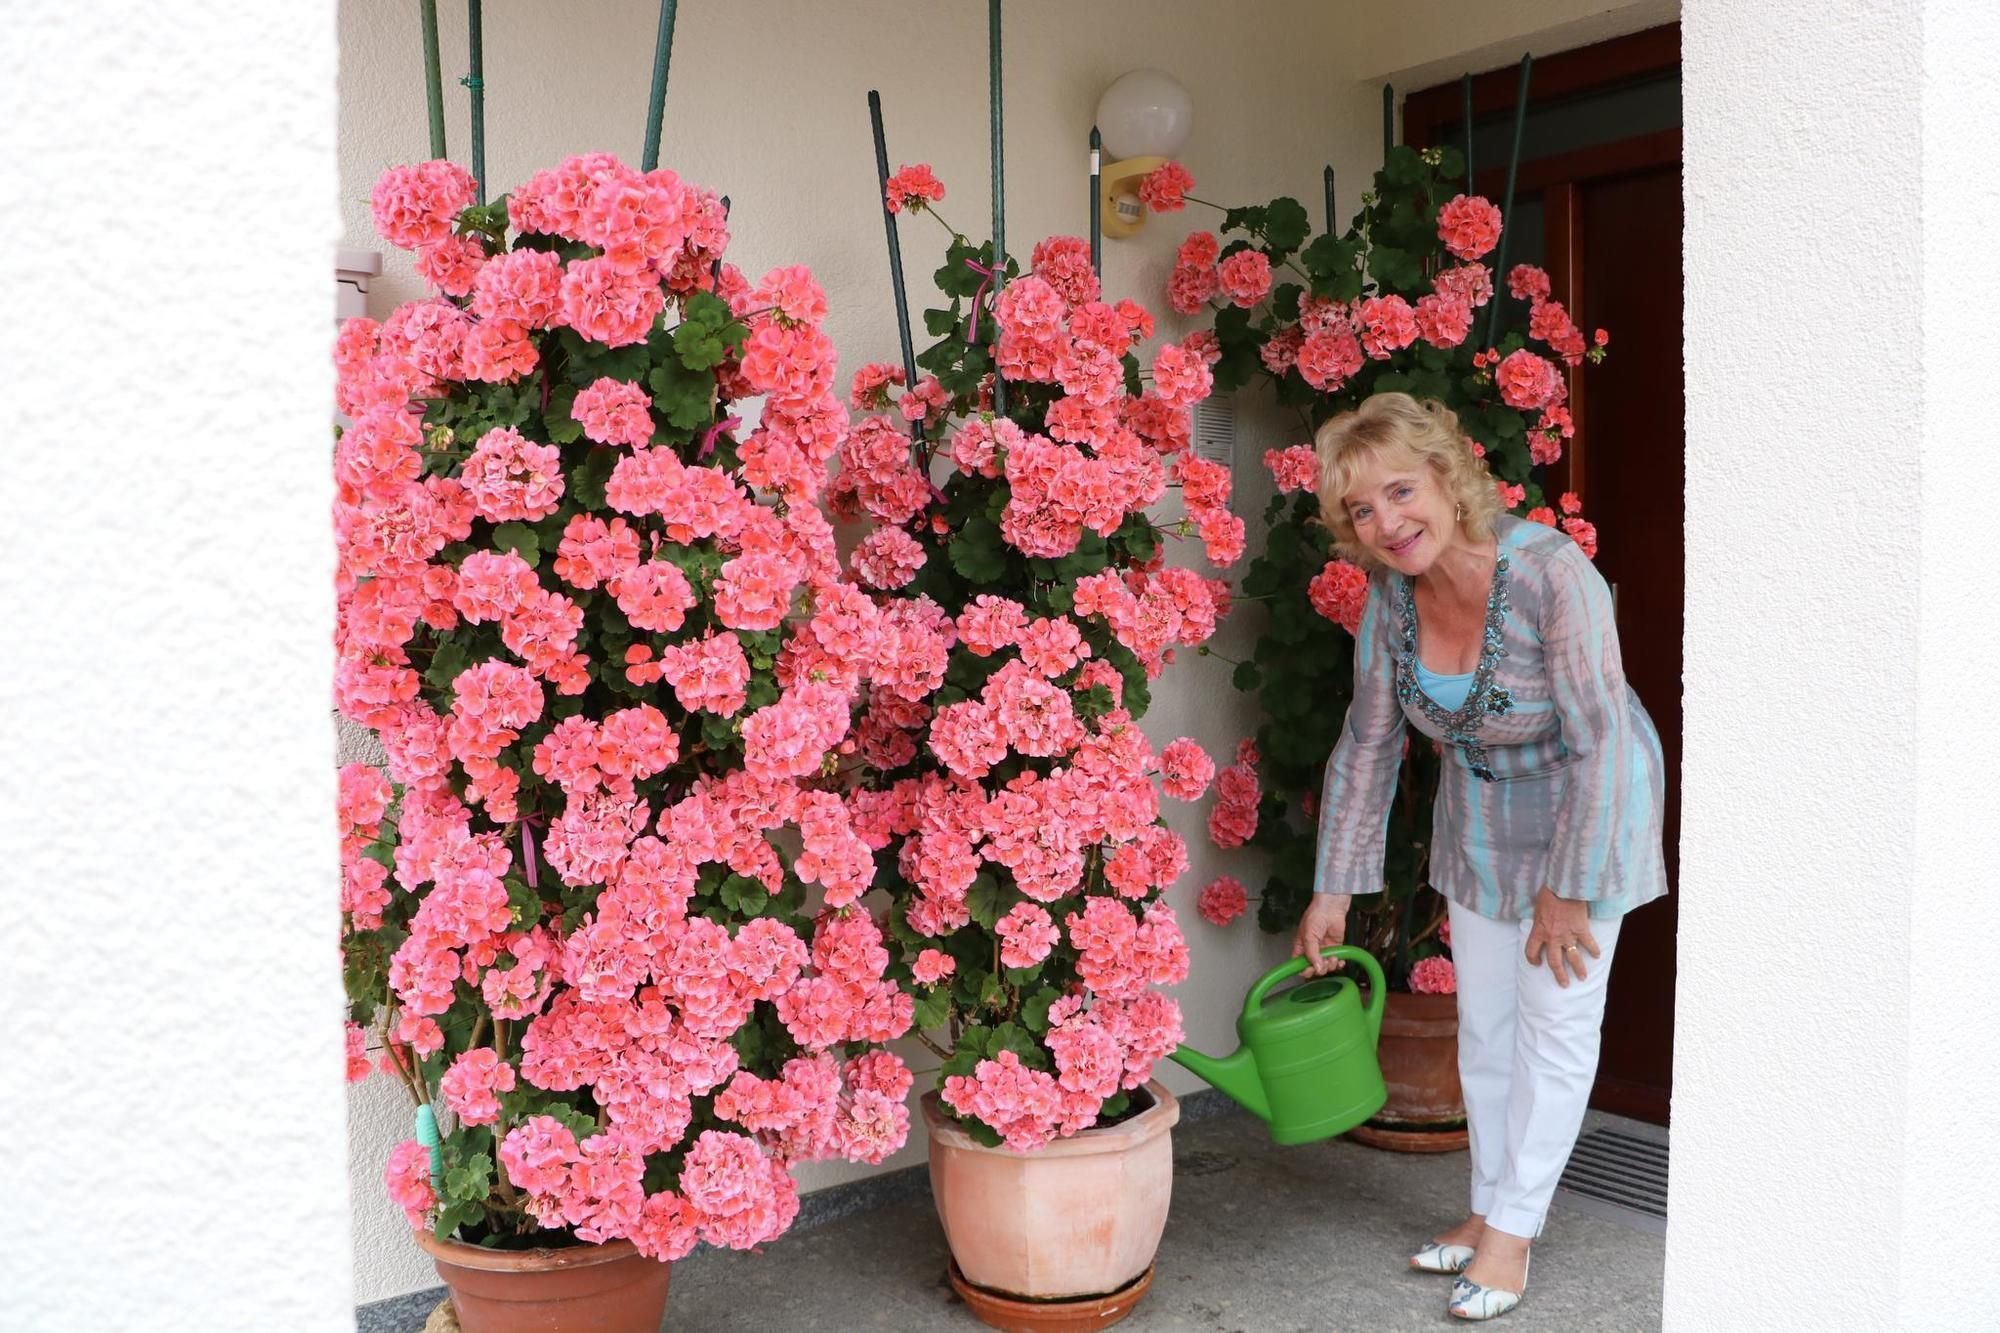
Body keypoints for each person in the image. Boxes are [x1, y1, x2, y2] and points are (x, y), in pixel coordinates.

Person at [1293, 392, 1667, 1322]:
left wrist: (1570, 891)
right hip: (1481, 819)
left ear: (1448, 478)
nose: (1388, 522)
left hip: (1591, 805)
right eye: (1362, 511)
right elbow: (1370, 741)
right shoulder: (1391, 596)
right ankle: (1489, 1202)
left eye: (1400, 490)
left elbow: (1602, 739)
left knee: (1556, 1023)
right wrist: (1334, 886)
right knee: (1485, 1030)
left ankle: (1514, 1231)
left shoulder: (1550, 572)